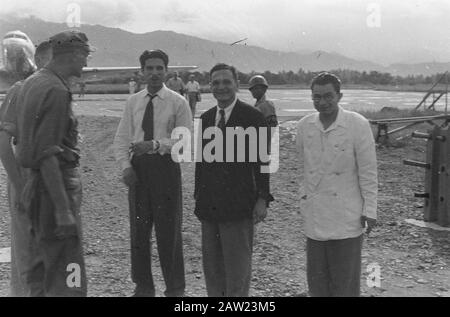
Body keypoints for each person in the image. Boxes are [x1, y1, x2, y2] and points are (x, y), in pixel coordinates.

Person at [15, 31, 94, 296]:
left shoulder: (33, 82)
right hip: (56, 188)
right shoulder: (57, 90)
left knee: (41, 268)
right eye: (84, 55)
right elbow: (47, 154)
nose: (85, 62)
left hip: (36, 187)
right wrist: (63, 209)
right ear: (72, 54)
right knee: (68, 271)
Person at [113, 49, 192, 297]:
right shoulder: (133, 101)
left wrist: (156, 145)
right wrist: (126, 167)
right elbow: (122, 138)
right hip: (139, 170)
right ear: (142, 71)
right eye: (150, 68)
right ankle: (143, 286)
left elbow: (184, 142)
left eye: (160, 68)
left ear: (167, 71)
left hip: (165, 168)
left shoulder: (178, 102)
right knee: (139, 230)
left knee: (168, 230)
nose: (155, 73)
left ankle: (175, 288)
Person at [194, 63, 274, 297]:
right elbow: (202, 163)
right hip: (210, 206)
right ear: (210, 86)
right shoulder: (207, 118)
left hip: (239, 206)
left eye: (227, 82)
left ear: (237, 85)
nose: (221, 87)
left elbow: (263, 161)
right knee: (213, 270)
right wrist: (198, 196)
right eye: (216, 83)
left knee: (237, 271)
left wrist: (262, 199)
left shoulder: (253, 117)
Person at [295, 72, 378, 297]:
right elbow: (304, 167)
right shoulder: (304, 126)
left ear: (339, 96)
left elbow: (368, 172)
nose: (322, 102)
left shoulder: (357, 124)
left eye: (328, 96)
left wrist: (370, 209)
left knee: (345, 283)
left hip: (346, 215)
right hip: (316, 215)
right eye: (317, 97)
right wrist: (304, 198)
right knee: (317, 282)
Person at [0, 40, 52, 296]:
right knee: (25, 250)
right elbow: (3, 143)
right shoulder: (20, 90)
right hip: (28, 180)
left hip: (51, 183)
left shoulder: (53, 91)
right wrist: (21, 188)